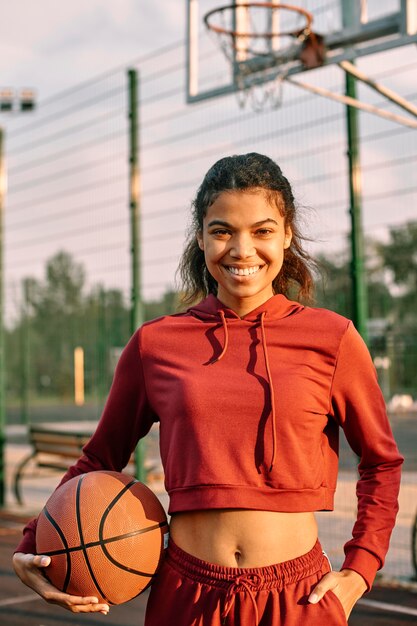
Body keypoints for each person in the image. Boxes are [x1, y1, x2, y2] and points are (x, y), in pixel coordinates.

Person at [13, 153, 403, 625]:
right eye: (222, 231)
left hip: (299, 596)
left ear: (286, 235)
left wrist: (360, 569)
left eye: (262, 231)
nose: (242, 250)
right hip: (186, 590)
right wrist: (34, 545)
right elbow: (98, 460)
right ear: (200, 238)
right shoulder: (155, 344)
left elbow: (381, 463)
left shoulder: (332, 338)